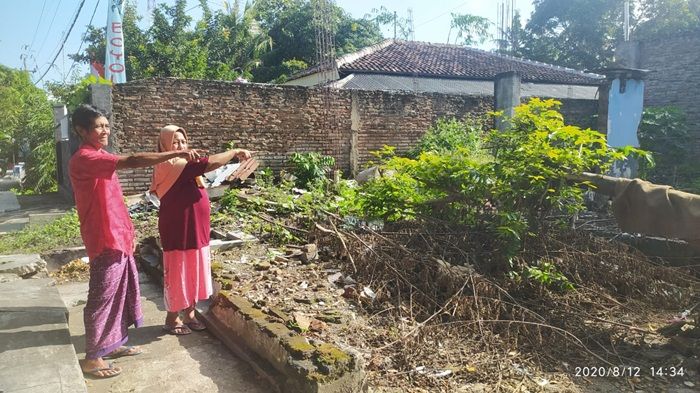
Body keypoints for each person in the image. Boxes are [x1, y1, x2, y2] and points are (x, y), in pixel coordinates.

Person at [69, 105, 202, 378]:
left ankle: (112, 345)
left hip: (118, 235)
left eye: (106, 125)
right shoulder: (85, 158)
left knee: (119, 294)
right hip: (104, 237)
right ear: (81, 131)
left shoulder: (100, 154)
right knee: (102, 297)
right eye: (98, 126)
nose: (104, 130)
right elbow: (132, 160)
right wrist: (175, 152)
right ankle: (93, 357)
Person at [150, 125, 251, 335]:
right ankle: (172, 318)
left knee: (195, 268)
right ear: (164, 146)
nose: (181, 146)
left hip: (197, 227)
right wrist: (233, 152)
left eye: (183, 141)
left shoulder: (186, 165)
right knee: (178, 271)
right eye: (175, 142)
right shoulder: (169, 163)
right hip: (179, 228)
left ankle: (190, 313)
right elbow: (210, 163)